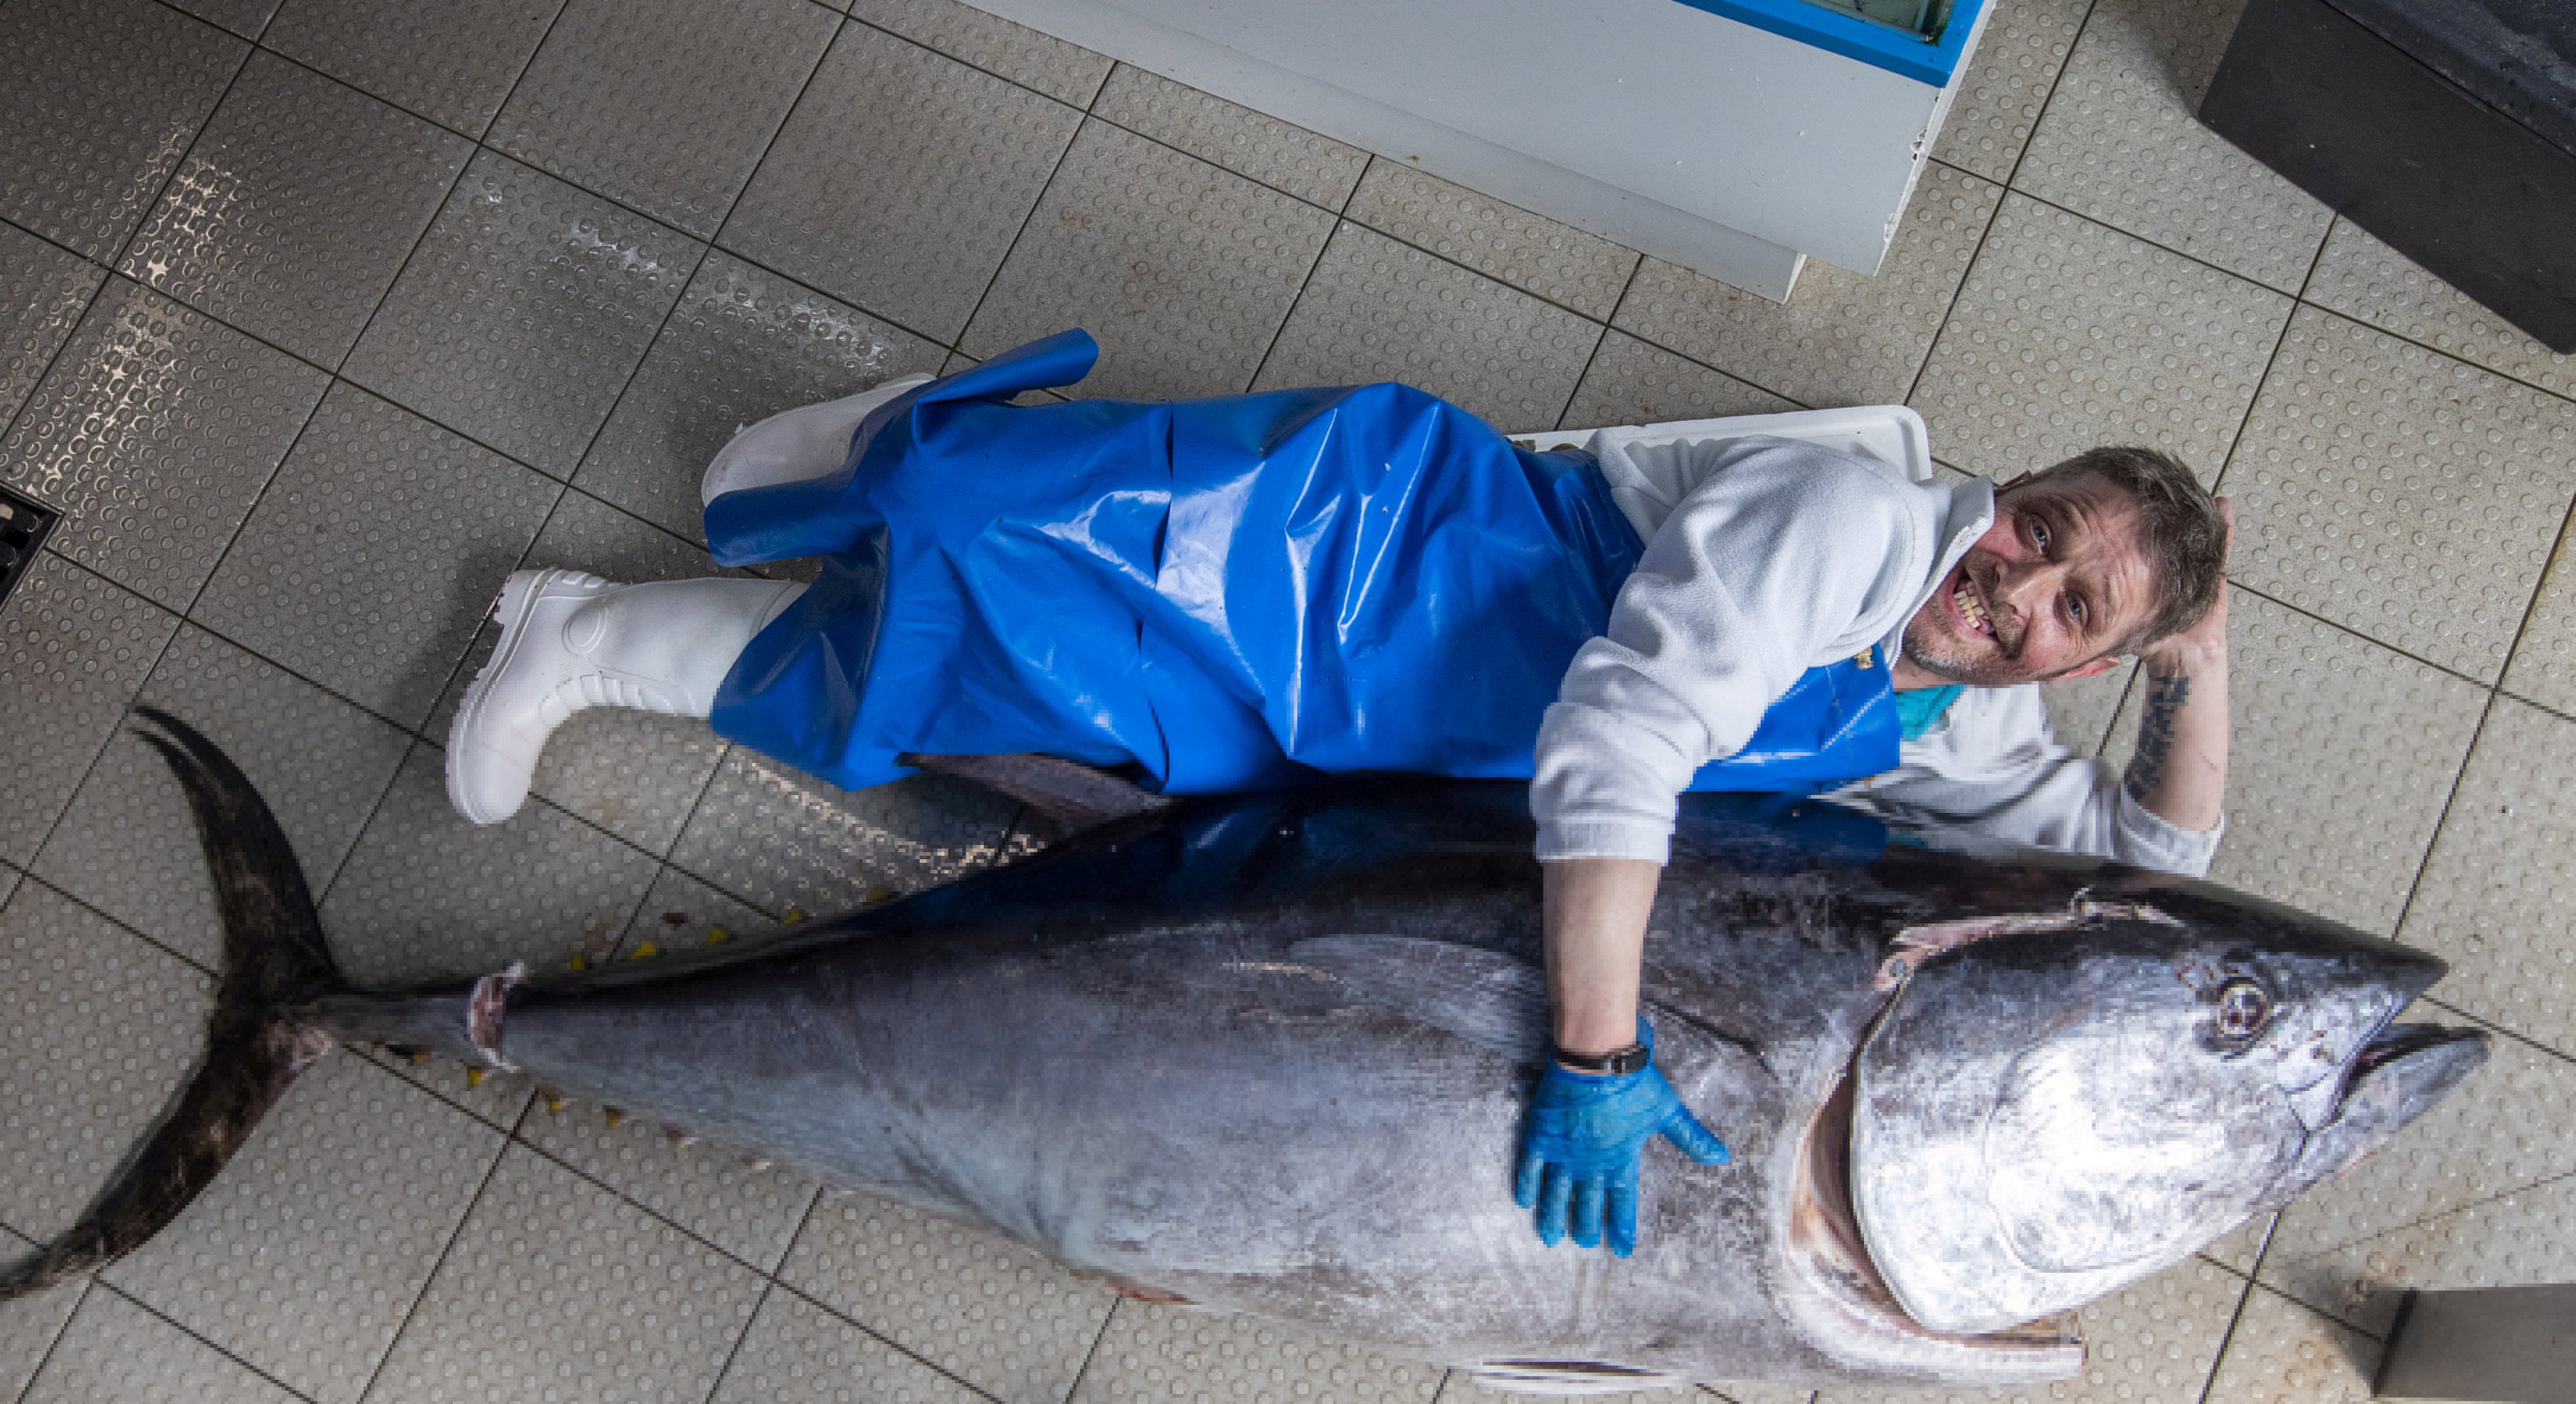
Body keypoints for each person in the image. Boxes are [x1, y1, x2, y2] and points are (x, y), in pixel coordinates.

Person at [444, 330, 2232, 1259]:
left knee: (992, 704)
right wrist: (1596, 1057)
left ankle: (584, 629)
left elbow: (2154, 865)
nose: (2013, 588)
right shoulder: (1848, 522)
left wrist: (2196, 667)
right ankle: (885, 456)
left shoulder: (1971, 728)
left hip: (1382, 747)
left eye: (2073, 611)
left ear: (2081, 669)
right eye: (2034, 530)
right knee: (996, 532)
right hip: (1348, 552)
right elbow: (1621, 746)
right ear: (2008, 490)